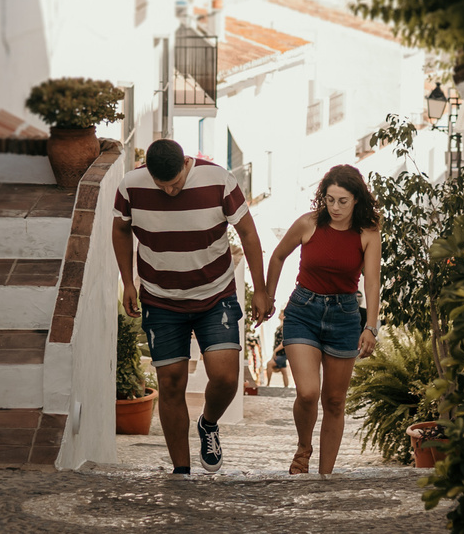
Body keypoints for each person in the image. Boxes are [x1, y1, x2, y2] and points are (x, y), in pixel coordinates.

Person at [112, 138, 269, 475]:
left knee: (226, 377)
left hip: (216, 295)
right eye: (161, 185)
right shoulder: (130, 187)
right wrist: (128, 281)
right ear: (148, 174)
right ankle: (181, 472)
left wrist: (260, 289)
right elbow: (121, 230)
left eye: (176, 184)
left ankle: (209, 424)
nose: (170, 192)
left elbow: (248, 233)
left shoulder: (219, 181)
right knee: (170, 383)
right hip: (160, 298)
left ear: (186, 163)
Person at [259, 165, 381, 475]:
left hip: (344, 317)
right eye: (330, 200)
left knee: (335, 401)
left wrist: (371, 327)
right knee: (309, 392)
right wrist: (269, 297)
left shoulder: (368, 234)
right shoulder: (308, 224)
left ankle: (325, 477)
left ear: (356, 200)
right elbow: (277, 256)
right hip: (304, 311)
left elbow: (371, 283)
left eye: (343, 201)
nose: (336, 208)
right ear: (322, 198)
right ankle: (303, 449)